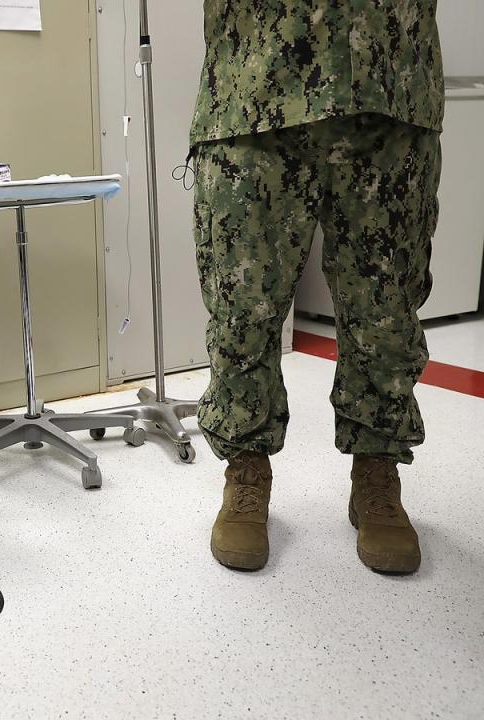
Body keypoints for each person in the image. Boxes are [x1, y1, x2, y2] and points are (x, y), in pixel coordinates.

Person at [189, 1, 444, 573]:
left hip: (392, 85)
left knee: (388, 309)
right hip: (255, 88)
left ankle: (377, 471)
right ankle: (246, 469)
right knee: (242, 307)